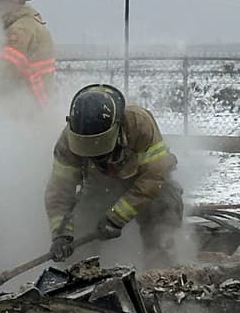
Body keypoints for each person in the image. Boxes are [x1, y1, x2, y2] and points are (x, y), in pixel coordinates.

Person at [45, 84, 184, 268]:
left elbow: (155, 176)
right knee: (81, 233)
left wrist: (116, 217)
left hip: (145, 184)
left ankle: (160, 271)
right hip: (99, 188)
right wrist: (61, 235)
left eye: (101, 154)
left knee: (164, 204)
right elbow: (59, 192)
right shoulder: (67, 143)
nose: (97, 159)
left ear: (117, 128)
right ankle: (80, 277)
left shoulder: (139, 123)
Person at [0, 0, 56, 110]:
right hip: (40, 102)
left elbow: (5, 72)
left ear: (12, 3)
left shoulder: (19, 31)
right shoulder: (31, 23)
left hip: (30, 108)